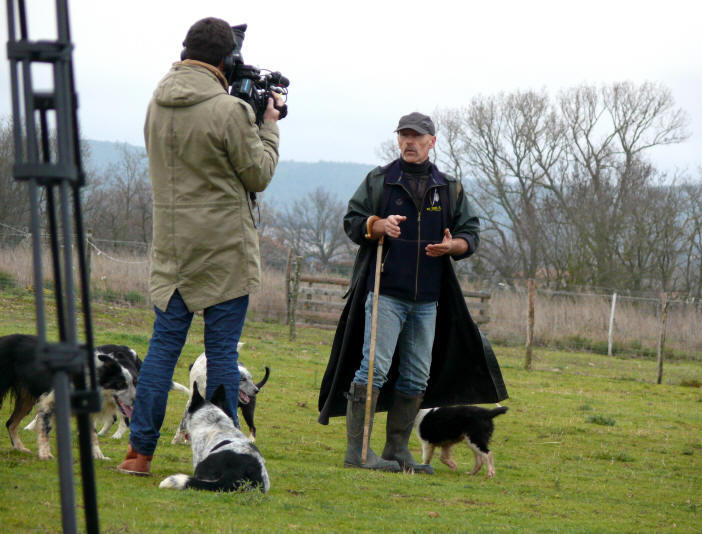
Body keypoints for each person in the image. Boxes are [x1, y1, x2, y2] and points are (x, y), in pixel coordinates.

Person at [118, 17, 282, 476]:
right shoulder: (230, 111)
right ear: (225, 60)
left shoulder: (157, 101)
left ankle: (138, 455)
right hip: (223, 253)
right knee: (223, 353)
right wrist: (267, 124)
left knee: (162, 353)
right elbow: (259, 174)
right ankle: (220, 451)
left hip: (171, 252)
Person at [318, 112, 508, 473]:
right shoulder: (380, 182)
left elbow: (471, 232)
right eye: (404, 135)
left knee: (416, 377)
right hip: (385, 292)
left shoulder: (449, 188)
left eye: (417, 136)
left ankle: (396, 452)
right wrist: (377, 225)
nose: (409, 141)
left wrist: (456, 247)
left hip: (429, 301)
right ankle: (358, 453)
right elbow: (352, 221)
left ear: (431, 141)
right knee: (373, 371)